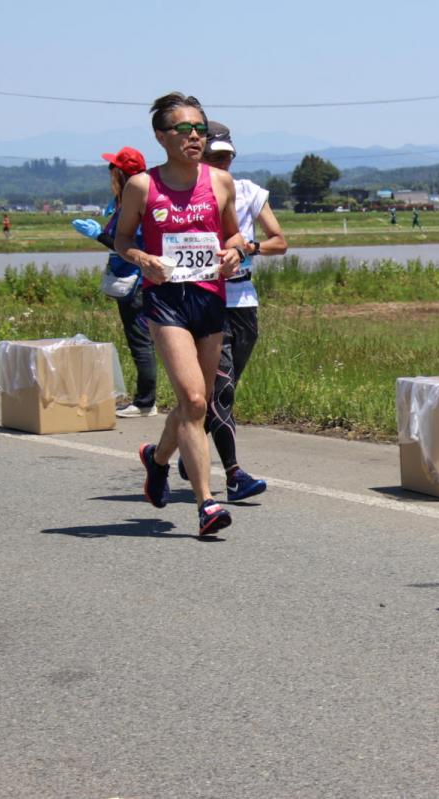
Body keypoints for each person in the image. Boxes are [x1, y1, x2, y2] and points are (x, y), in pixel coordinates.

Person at [115, 92, 247, 537]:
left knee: (199, 401)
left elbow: (236, 238)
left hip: (209, 298)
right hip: (165, 300)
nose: (194, 137)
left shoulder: (221, 182)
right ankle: (206, 504)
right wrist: (141, 259)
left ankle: (156, 459)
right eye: (183, 130)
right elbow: (122, 241)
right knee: (192, 401)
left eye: (199, 130)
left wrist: (233, 253)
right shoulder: (142, 187)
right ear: (161, 136)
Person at [173, 120, 287, 501]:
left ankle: (185, 453)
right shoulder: (187, 195)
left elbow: (280, 241)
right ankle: (234, 475)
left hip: (244, 303)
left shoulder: (248, 192)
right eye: (214, 158)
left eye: (227, 158)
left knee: (221, 390)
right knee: (220, 391)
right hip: (208, 301)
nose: (222, 165)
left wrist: (248, 249)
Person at [72, 146, 158, 418]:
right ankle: (145, 399)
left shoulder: (137, 206)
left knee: (141, 341)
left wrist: (98, 234)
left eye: (113, 172)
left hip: (135, 281)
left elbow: (130, 245)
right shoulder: (126, 203)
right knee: (142, 340)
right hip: (131, 279)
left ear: (121, 175)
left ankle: (145, 402)